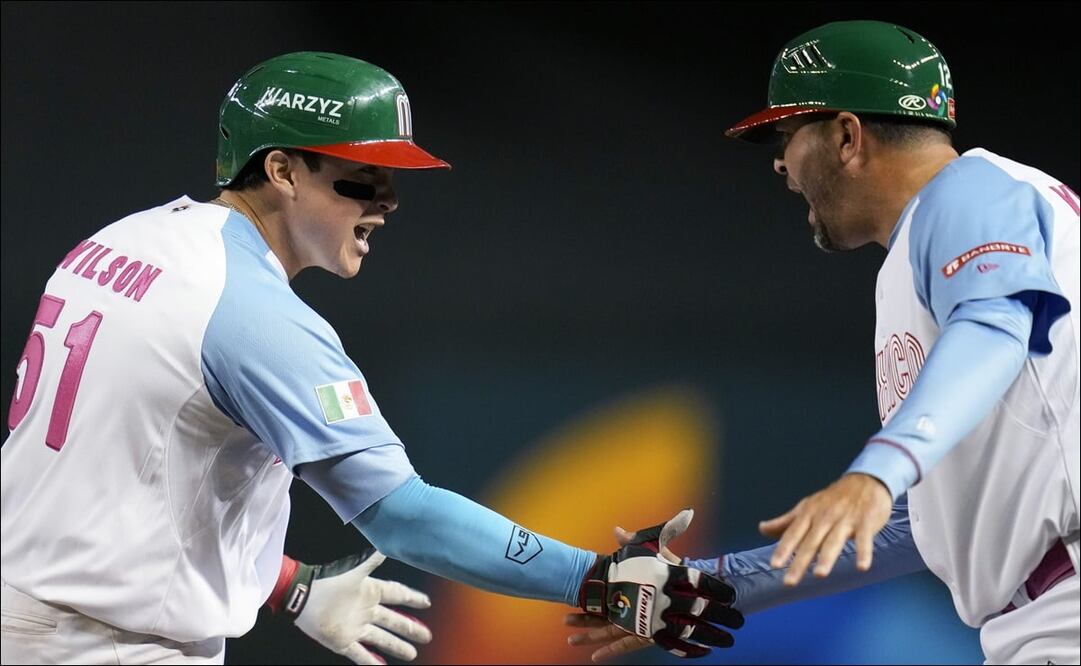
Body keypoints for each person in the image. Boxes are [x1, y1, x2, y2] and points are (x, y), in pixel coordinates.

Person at [0, 52, 743, 665]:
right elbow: (403, 517)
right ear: (283, 171)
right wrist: (599, 579)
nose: (385, 200)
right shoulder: (256, 316)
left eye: (390, 176)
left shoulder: (121, 241)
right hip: (105, 648)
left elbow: (119, 483)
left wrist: (285, 583)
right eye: (359, 174)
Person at [565, 20, 1079, 665]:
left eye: (787, 135)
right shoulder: (942, 238)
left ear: (845, 136)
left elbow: (997, 320)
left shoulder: (968, 194)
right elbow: (933, 525)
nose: (780, 162)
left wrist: (875, 470)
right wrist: (717, 581)